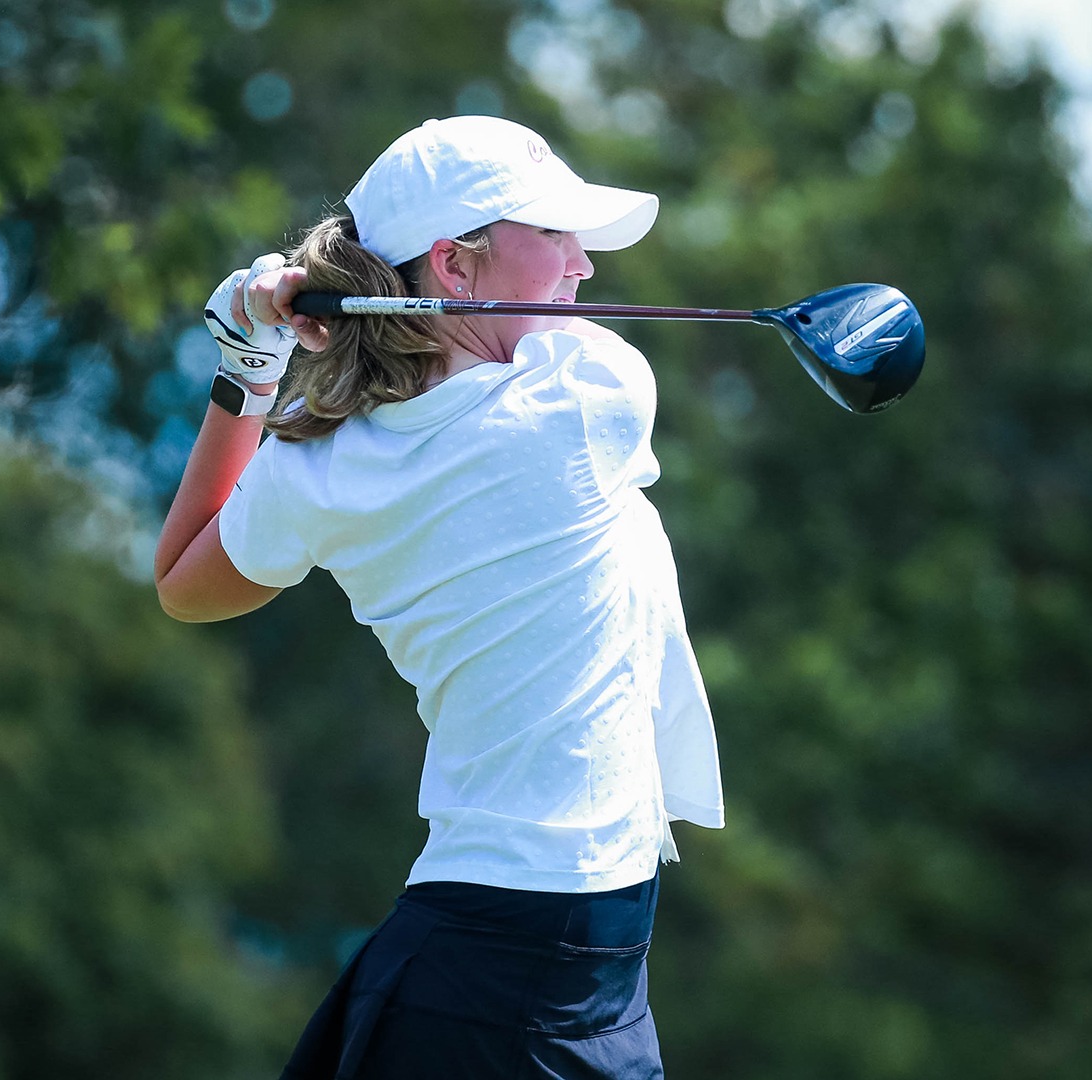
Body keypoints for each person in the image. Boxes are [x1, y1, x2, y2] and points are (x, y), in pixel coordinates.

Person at [153, 115, 723, 1080]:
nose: (583, 269)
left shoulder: (320, 468)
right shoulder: (589, 397)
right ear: (456, 267)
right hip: (523, 978)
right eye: (555, 237)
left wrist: (251, 352)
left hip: (499, 956)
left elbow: (185, 583)